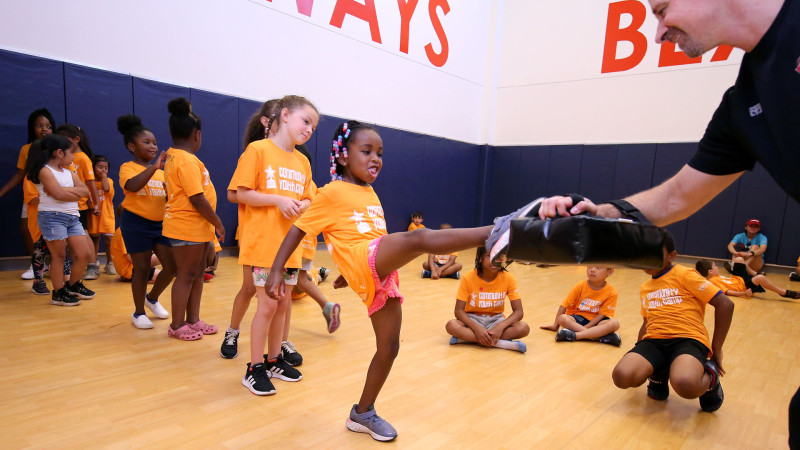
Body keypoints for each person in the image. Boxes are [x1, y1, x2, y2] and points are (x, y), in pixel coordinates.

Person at [265, 120, 517, 441]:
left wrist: (348, 274)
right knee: (419, 239)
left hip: (376, 272)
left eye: (380, 154)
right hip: (365, 260)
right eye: (366, 151)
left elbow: (366, 235)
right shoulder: (329, 193)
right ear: (343, 156)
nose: (376, 159)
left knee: (389, 347)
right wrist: (276, 269)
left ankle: (363, 412)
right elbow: (299, 229)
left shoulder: (369, 192)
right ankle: (498, 230)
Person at [234, 95, 317, 393]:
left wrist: (302, 205)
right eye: (305, 121)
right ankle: (254, 368)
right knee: (267, 306)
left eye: (313, 127)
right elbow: (241, 193)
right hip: (263, 246)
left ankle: (273, 360)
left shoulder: (303, 161)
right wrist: (278, 200)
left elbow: (310, 196)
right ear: (284, 115)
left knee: (282, 305)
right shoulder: (257, 150)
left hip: (290, 247)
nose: (309, 129)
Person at [611, 232, 734, 412]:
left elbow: (725, 304)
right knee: (622, 376)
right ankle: (658, 374)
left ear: (672, 256)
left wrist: (716, 349)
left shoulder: (685, 274)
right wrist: (640, 351)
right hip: (654, 341)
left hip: (688, 339)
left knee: (686, 384)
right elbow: (647, 322)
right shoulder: (645, 287)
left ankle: (711, 379)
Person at [221, 99, 279, 359]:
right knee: (249, 289)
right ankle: (233, 331)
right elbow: (233, 194)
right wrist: (267, 198)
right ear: (267, 122)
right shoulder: (254, 152)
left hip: (279, 236)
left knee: (279, 297)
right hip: (255, 234)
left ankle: (278, 349)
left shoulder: (289, 157)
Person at [162, 97, 223, 340]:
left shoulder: (178, 156)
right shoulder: (185, 160)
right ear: (197, 134)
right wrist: (218, 222)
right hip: (186, 226)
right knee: (186, 275)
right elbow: (197, 198)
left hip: (196, 228)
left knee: (197, 274)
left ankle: (193, 320)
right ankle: (177, 325)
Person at [117, 114, 175, 329]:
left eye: (154, 142)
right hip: (136, 223)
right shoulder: (128, 167)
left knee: (172, 266)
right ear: (132, 146)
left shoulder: (161, 173)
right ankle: (138, 312)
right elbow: (132, 186)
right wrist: (155, 168)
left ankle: (152, 298)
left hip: (159, 225)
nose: (153, 146)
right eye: (146, 142)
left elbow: (166, 197)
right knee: (141, 269)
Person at [25, 135, 95, 305]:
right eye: (71, 153)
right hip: (52, 217)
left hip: (72, 217)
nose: (73, 156)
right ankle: (58, 292)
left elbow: (85, 191)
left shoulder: (70, 172)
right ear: (59, 153)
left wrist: (63, 190)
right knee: (59, 256)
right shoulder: (44, 171)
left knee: (84, 253)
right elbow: (59, 195)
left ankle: (72, 285)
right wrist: (69, 192)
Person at [0, 109, 57, 280]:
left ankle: (59, 264)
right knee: (27, 229)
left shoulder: (58, 148)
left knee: (55, 231)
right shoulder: (27, 149)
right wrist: (2, 191)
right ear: (32, 128)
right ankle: (38, 264)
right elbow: (20, 174)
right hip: (32, 194)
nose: (44, 129)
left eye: (48, 126)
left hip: (53, 194)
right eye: (39, 125)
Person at [445, 246, 529, 352]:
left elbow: (519, 312)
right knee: (451, 325)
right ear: (480, 258)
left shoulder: (509, 278)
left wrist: (501, 326)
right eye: (489, 256)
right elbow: (458, 311)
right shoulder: (468, 277)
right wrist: (476, 328)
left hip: (496, 320)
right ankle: (500, 343)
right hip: (473, 319)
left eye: (500, 256)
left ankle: (467, 339)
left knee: (523, 328)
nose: (495, 260)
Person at [56, 124, 101, 280]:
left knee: (83, 234)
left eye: (64, 139)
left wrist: (96, 202)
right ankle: (76, 266)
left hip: (80, 204)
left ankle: (93, 265)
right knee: (74, 237)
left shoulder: (82, 158)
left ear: (76, 140)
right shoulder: (64, 159)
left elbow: (90, 182)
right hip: (69, 204)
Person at [539, 266, 621, 346]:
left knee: (614, 323)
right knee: (563, 318)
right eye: (589, 267)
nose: (592, 270)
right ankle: (599, 337)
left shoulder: (612, 292)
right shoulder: (580, 286)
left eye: (598, 268)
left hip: (597, 321)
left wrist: (586, 328)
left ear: (609, 272)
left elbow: (601, 315)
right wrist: (555, 325)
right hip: (578, 319)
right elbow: (564, 305)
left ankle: (575, 335)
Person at [695, 259, 800, 299]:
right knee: (760, 278)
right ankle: (784, 292)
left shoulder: (715, 276)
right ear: (710, 271)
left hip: (738, 279)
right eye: (715, 266)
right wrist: (744, 293)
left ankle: (754, 273)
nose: (717, 267)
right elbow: (727, 292)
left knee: (739, 259)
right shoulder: (713, 281)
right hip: (743, 286)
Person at [87, 155, 116, 275]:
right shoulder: (89, 182)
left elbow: (106, 188)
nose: (103, 170)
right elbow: (87, 198)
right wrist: (92, 208)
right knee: (94, 238)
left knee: (109, 239)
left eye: (106, 168)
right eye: (100, 167)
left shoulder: (109, 181)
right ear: (93, 168)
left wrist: (104, 176)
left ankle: (110, 263)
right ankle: (93, 264)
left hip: (107, 214)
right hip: (93, 213)